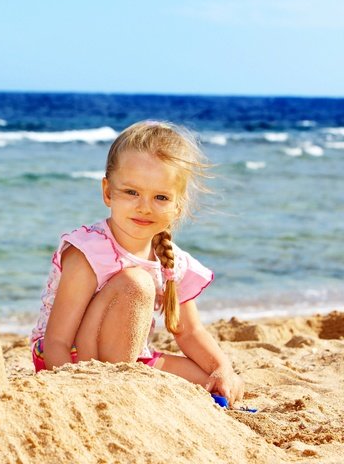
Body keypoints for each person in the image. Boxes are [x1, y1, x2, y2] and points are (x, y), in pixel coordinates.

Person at [30, 120, 244, 405]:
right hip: (70, 360)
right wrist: (72, 393)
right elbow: (57, 341)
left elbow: (189, 331)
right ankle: (117, 390)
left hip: (129, 358)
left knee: (211, 383)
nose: (144, 206)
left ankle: (129, 382)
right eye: (132, 192)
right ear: (107, 192)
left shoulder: (171, 261)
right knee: (136, 283)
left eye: (161, 197)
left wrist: (223, 369)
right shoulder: (89, 251)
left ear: (178, 205)